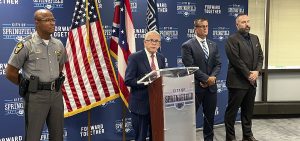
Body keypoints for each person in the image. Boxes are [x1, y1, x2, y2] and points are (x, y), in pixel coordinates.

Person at [5, 9, 67, 141]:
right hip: (35, 97)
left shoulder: (58, 44)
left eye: (53, 20)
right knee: (33, 136)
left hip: (56, 95)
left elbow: (60, 65)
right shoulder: (26, 45)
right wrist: (28, 85)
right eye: (47, 20)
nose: (52, 23)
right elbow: (10, 72)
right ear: (37, 23)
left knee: (58, 136)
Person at [224, 14, 264, 141]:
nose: (247, 24)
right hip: (237, 82)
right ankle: (230, 138)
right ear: (237, 25)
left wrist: (257, 72)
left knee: (248, 111)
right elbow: (236, 60)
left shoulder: (255, 38)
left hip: (251, 82)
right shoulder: (232, 39)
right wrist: (249, 74)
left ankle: (247, 135)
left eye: (248, 21)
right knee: (232, 112)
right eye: (243, 22)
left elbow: (260, 57)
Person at [181, 18, 221, 141]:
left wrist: (212, 78)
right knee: (190, 118)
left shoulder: (213, 45)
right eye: (202, 26)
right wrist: (205, 79)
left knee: (209, 118)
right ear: (195, 29)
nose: (205, 28)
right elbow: (190, 66)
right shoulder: (187, 45)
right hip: (196, 88)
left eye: (206, 26)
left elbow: (218, 64)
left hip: (211, 88)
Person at [125, 30, 166, 141]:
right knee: (140, 138)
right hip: (140, 106)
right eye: (151, 40)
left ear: (159, 44)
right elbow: (128, 80)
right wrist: (146, 81)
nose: (154, 43)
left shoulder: (161, 58)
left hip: (157, 106)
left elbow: (164, 78)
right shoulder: (135, 58)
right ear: (145, 42)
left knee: (157, 136)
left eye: (157, 41)